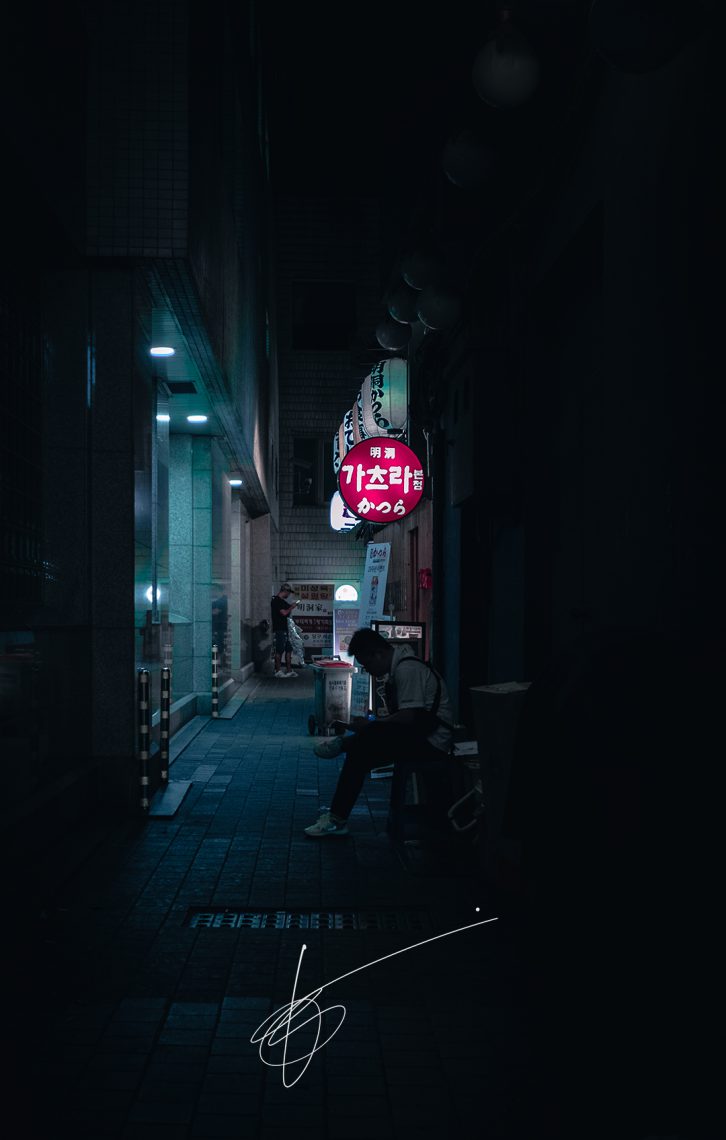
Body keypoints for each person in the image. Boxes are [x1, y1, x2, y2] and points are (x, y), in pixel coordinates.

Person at [304, 627, 454, 837]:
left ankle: (338, 814)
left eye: (367, 664)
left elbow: (409, 716)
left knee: (360, 750)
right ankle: (337, 816)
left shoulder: (407, 669)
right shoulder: (401, 667)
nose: (368, 670)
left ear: (378, 654)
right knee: (361, 750)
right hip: (420, 735)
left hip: (433, 741)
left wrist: (372, 724)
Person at [270, 583, 299, 677]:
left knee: (288, 649)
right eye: (288, 593)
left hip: (286, 629)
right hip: (279, 629)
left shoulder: (282, 601)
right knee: (279, 650)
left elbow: (287, 609)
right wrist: (292, 607)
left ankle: (289, 670)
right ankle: (277, 670)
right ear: (284, 591)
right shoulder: (276, 601)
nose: (289, 595)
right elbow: (284, 613)